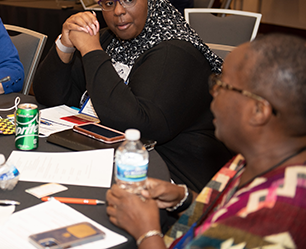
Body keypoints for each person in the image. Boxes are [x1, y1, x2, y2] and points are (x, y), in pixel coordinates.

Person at [33, 0, 232, 192]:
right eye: (108, 3)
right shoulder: (110, 40)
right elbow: (51, 96)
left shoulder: (175, 51)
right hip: (112, 155)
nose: (118, 11)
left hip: (171, 177)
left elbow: (137, 126)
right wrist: (65, 44)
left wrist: (91, 52)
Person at [106, 33, 306, 249]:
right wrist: (185, 199)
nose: (213, 94)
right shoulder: (255, 158)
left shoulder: (277, 218)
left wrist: (147, 232)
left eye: (222, 85)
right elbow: (222, 217)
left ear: (258, 111)